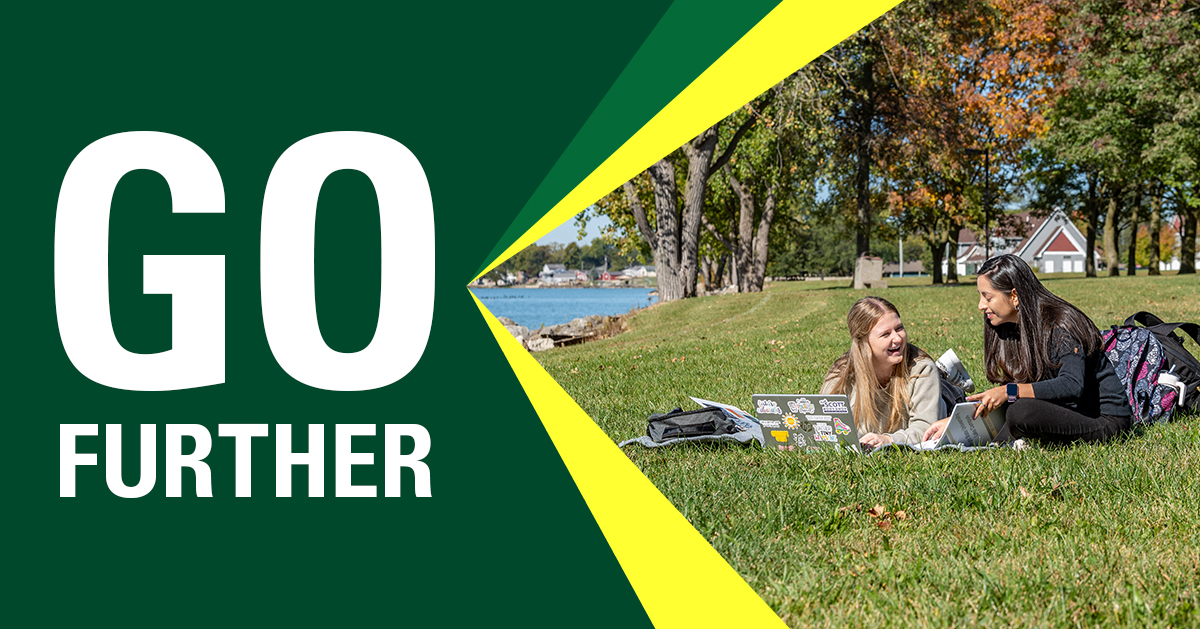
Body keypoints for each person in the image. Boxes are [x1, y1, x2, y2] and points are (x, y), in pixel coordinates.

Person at [923, 254, 1131, 445]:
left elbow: (1072, 385)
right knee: (1011, 414)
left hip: (1102, 419)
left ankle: (1010, 439)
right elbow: (1018, 391)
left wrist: (1008, 391)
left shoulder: (1061, 324)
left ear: (1014, 296)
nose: (980, 305)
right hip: (1059, 410)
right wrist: (954, 423)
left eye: (987, 297)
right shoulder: (1008, 328)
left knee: (1020, 411)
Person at [821, 296, 940, 447]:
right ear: (863, 342)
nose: (897, 338)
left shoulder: (922, 368)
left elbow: (926, 429)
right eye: (885, 334)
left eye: (899, 328)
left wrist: (889, 440)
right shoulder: (841, 373)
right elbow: (824, 422)